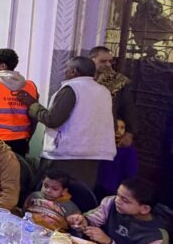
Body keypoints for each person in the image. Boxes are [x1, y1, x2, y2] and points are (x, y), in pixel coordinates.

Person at [16, 56, 115, 188]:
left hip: (66, 154)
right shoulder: (103, 91)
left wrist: (32, 104)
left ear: (74, 71)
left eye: (67, 68)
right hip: (94, 153)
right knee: (79, 193)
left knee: (51, 191)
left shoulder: (72, 88)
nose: (65, 72)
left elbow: (53, 119)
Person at [67, 178, 169, 244]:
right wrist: (81, 221)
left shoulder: (156, 237)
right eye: (117, 194)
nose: (117, 200)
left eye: (125, 200)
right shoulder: (111, 202)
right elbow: (92, 219)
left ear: (144, 209)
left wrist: (109, 242)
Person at [91, 46, 138, 148]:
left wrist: (130, 133)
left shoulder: (118, 81)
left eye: (110, 61)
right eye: (103, 61)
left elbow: (128, 107)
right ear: (91, 60)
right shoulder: (82, 79)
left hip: (107, 131)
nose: (108, 64)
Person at [96, 119, 139, 200]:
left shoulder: (128, 151)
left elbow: (131, 173)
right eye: (115, 127)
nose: (118, 131)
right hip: (98, 186)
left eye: (122, 128)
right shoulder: (103, 144)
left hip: (115, 191)